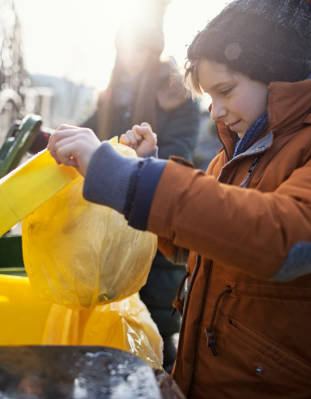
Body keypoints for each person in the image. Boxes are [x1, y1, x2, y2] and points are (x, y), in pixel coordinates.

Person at [47, 0, 311, 399]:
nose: (216, 112)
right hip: (206, 386)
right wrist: (143, 169)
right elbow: (196, 241)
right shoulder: (235, 154)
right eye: (210, 96)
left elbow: (289, 238)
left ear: (277, 73)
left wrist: (125, 177)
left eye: (225, 90)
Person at [81, 13, 200, 372]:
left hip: (152, 219)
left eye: (139, 49)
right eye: (125, 47)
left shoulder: (176, 96)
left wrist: (137, 160)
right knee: (108, 320)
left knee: (155, 326)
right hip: (109, 224)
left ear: (153, 52)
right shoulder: (111, 93)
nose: (131, 56)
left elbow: (182, 153)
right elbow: (89, 133)